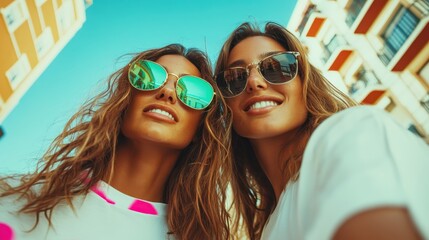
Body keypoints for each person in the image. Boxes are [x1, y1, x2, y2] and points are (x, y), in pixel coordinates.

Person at [214, 22, 429, 240]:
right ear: (225, 104)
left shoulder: (353, 133)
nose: (254, 82)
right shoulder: (269, 227)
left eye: (276, 67)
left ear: (305, 83)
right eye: (235, 77)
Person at [0, 44, 233, 240]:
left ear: (199, 129)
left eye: (194, 92)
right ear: (124, 102)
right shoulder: (15, 199)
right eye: (149, 76)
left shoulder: (194, 235)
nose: (168, 92)